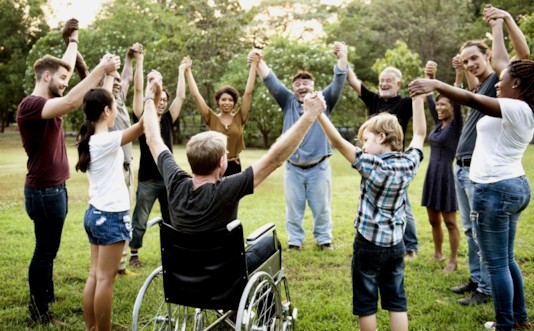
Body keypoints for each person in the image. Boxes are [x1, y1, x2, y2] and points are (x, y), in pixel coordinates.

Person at [409, 16, 534, 331]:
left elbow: (472, 98)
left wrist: (436, 84)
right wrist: (498, 25)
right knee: (508, 259)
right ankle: (520, 319)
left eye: (504, 78)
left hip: (496, 190)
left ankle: (505, 325)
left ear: (516, 84)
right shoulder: (524, 107)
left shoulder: (514, 107)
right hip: (512, 185)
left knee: (498, 264)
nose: (498, 81)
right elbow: (490, 76)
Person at [142, 72, 327, 271]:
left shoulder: (175, 181)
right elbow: (275, 158)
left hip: (185, 272)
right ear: (222, 162)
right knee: (271, 243)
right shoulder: (228, 189)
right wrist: (309, 116)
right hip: (226, 274)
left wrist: (150, 95)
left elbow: (153, 137)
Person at [16, 18, 120, 326]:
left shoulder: (47, 100)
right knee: (45, 251)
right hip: (44, 192)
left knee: (48, 248)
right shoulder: (31, 105)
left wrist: (72, 42)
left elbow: (67, 74)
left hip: (53, 190)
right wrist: (101, 70)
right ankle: (39, 313)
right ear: (45, 76)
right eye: (61, 78)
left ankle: (45, 296)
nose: (66, 81)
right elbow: (74, 99)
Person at [315, 87, 427, 331]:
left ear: (382, 138)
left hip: (368, 245)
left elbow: (336, 141)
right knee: (396, 299)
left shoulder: (370, 164)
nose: (363, 146)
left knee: (366, 302)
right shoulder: (409, 163)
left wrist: (319, 114)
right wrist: (418, 101)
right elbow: (419, 133)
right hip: (397, 245)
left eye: (366, 140)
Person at [447, 4, 531, 306]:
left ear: (487, 57)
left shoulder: (501, 86)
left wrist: (501, 22)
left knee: (487, 241)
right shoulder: (489, 86)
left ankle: (487, 291)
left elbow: (517, 59)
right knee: (472, 231)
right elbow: (472, 88)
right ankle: (477, 279)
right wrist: (460, 70)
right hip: (465, 165)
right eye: (466, 59)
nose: (471, 63)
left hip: (486, 175)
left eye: (475, 58)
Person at [251, 41, 348, 250]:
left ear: (313, 86)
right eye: (297, 84)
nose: (302, 86)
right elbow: (271, 81)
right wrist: (259, 61)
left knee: (321, 207)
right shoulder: (287, 101)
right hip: (293, 167)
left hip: (318, 167)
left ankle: (324, 240)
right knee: (293, 208)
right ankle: (295, 242)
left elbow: (339, 80)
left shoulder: (324, 101)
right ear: (294, 88)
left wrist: (342, 57)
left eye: (306, 83)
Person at [76, 85, 145, 331]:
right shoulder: (106, 140)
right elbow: (143, 125)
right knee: (106, 279)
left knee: (96, 275)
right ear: (107, 111)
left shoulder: (91, 138)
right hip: (110, 215)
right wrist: (152, 93)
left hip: (95, 213)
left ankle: (92, 327)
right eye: (114, 105)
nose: (116, 109)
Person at [346, 66, 418, 259]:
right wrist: (342, 58)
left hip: (394, 165)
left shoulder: (404, 103)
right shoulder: (374, 99)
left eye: (389, 80)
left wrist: (428, 81)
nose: (384, 83)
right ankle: (372, 237)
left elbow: (421, 109)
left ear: (398, 84)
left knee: (403, 205)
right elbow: (353, 81)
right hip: (371, 162)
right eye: (382, 80)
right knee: (371, 201)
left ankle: (410, 246)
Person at [129, 59, 187, 267]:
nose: (161, 102)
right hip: (147, 180)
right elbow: (137, 91)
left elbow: (181, 96)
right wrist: (147, 80)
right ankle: (134, 253)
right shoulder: (144, 118)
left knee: (171, 219)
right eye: (158, 98)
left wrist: (182, 70)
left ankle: (172, 252)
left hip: (168, 179)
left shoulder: (169, 119)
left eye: (164, 100)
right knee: (140, 219)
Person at [183, 51, 258, 179]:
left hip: (234, 166)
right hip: (214, 166)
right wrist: (188, 71)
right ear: (218, 102)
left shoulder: (240, 118)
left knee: (233, 199)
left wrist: (254, 65)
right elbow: (196, 95)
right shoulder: (211, 118)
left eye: (230, 100)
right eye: (223, 99)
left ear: (234, 103)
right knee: (214, 198)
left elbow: (248, 93)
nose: (227, 103)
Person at [421, 60, 463, 273]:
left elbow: (456, 97)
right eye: (437, 105)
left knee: (450, 222)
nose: (438, 107)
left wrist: (458, 75)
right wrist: (430, 76)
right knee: (432, 219)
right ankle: (438, 254)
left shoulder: (456, 126)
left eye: (443, 104)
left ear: (452, 107)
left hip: (446, 175)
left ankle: (453, 261)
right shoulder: (439, 125)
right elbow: (429, 98)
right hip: (431, 174)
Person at [112, 43, 144, 277]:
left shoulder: (120, 98)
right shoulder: (103, 104)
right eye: (111, 80)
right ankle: (115, 266)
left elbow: (126, 78)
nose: (117, 83)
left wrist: (128, 58)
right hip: (114, 169)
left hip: (127, 165)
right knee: (118, 215)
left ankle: (120, 265)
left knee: (125, 214)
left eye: (116, 81)